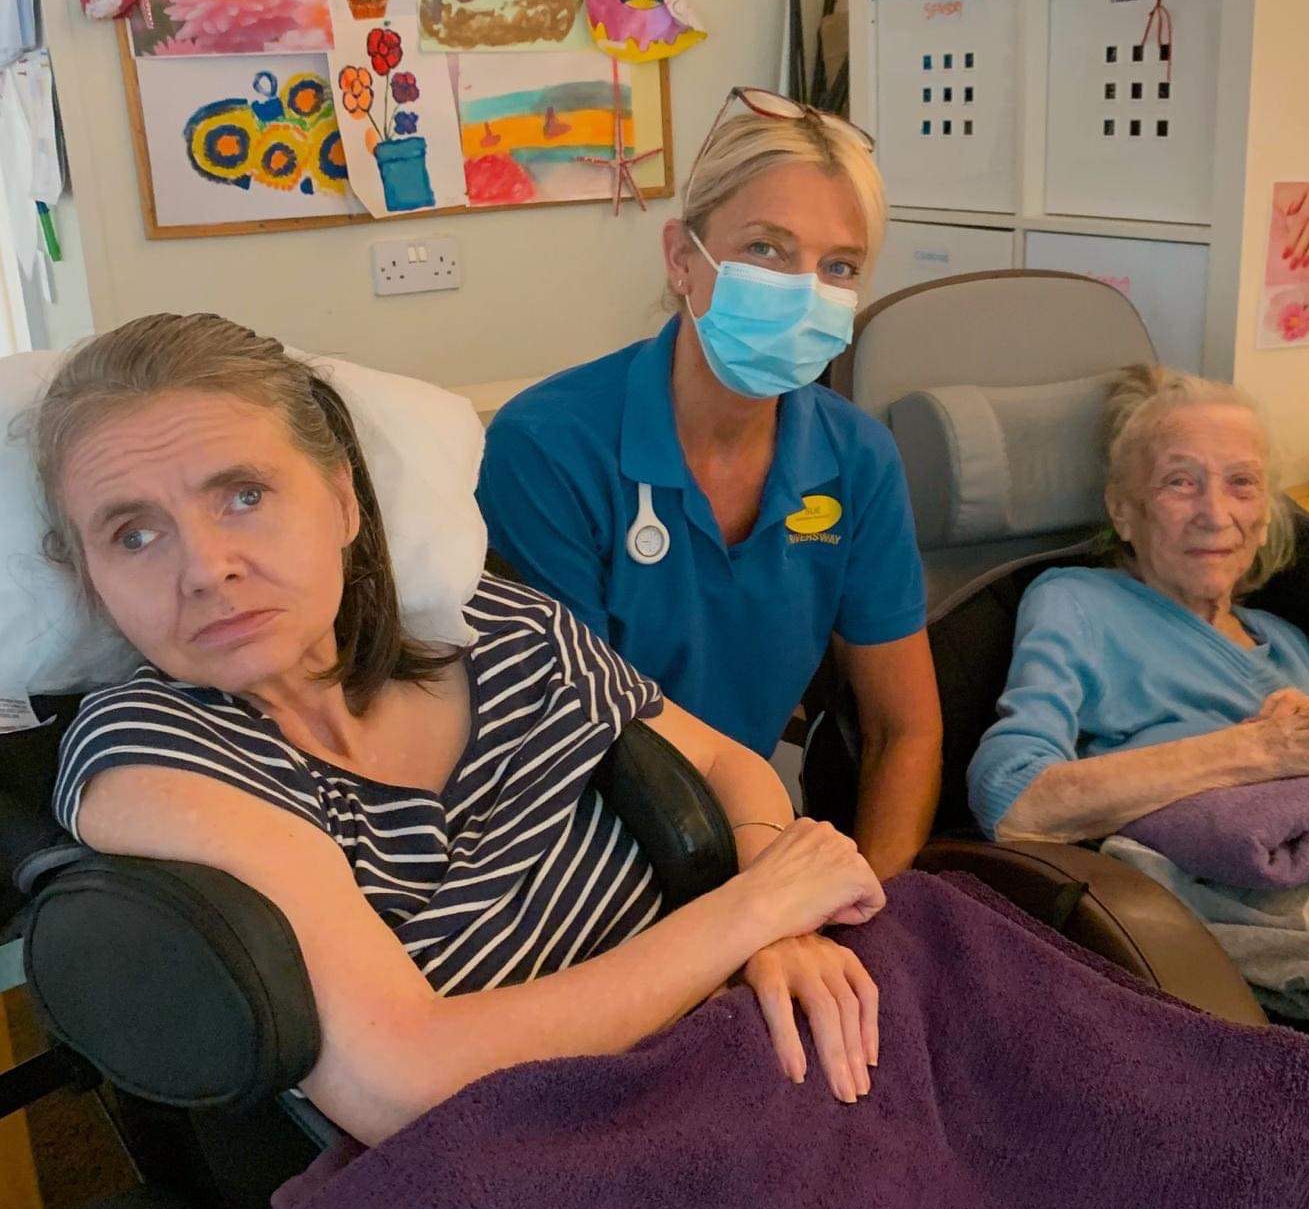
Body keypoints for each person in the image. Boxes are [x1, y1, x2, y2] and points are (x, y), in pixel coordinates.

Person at [36, 314, 888, 1150]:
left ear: (341, 500)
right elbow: (407, 1080)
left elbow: (727, 762)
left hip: (760, 1038)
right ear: (91, 579)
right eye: (133, 535)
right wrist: (752, 913)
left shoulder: (494, 629)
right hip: (553, 1153)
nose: (205, 569)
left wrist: (784, 930)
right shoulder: (152, 756)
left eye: (245, 496)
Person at [477, 89, 942, 879]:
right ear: (681, 259)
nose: (802, 290)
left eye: (837, 266)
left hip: (750, 834)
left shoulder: (856, 459)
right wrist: (758, 911)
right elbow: (586, 742)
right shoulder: (550, 447)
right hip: (579, 843)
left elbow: (904, 732)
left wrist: (874, 904)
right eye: (766, 249)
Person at [968, 364, 1309, 846]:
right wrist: (1265, 750)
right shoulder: (1079, 605)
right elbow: (1012, 800)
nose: (1215, 515)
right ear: (1123, 511)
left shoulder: (1294, 646)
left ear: (1264, 519)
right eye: (1180, 482)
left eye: (1241, 482)